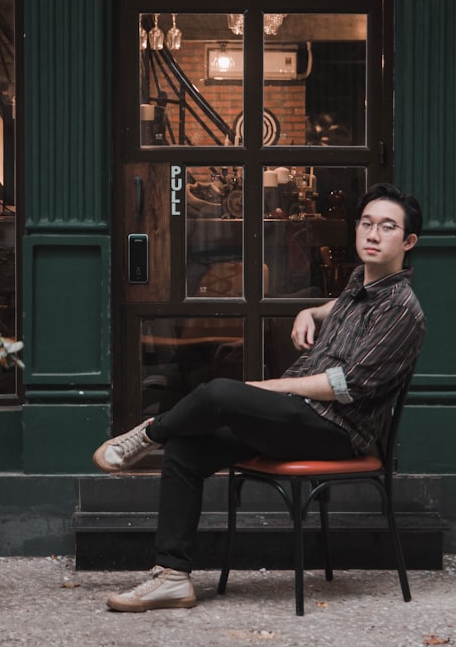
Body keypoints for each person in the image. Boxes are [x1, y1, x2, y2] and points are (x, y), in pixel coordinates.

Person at [92, 183, 427, 612]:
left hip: (335, 430)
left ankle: (147, 435)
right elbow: (337, 308)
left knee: (219, 393)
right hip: (299, 419)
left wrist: (268, 389)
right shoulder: (360, 284)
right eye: (366, 223)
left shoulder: (401, 309)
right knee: (187, 450)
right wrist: (309, 311)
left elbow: (344, 386)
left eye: (387, 226)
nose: (373, 234)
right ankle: (172, 577)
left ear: (408, 241)